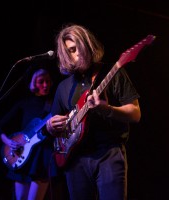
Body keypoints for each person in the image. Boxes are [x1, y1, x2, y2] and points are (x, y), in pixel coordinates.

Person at [46, 24, 141, 200]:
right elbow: (54, 128)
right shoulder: (63, 87)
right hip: (75, 160)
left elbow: (135, 114)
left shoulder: (113, 73)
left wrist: (107, 109)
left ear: (87, 45)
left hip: (109, 154)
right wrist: (51, 126)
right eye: (70, 51)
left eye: (77, 48)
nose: (76, 55)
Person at [0, 67, 61, 200]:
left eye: (48, 81)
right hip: (21, 155)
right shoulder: (23, 103)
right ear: (33, 83)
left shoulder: (54, 104)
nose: (46, 85)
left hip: (42, 158)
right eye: (41, 81)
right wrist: (9, 142)